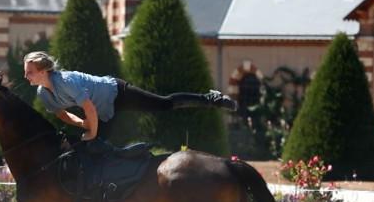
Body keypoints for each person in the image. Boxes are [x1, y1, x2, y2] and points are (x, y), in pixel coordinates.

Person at [23, 51, 237, 142]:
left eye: (29, 72)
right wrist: (83, 126)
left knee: (164, 104)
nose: (26, 76)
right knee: (95, 150)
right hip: (103, 112)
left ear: (43, 71)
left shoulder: (65, 81)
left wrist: (91, 131)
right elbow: (62, 114)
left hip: (118, 93)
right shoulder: (43, 93)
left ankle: (211, 99)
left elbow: (88, 107)